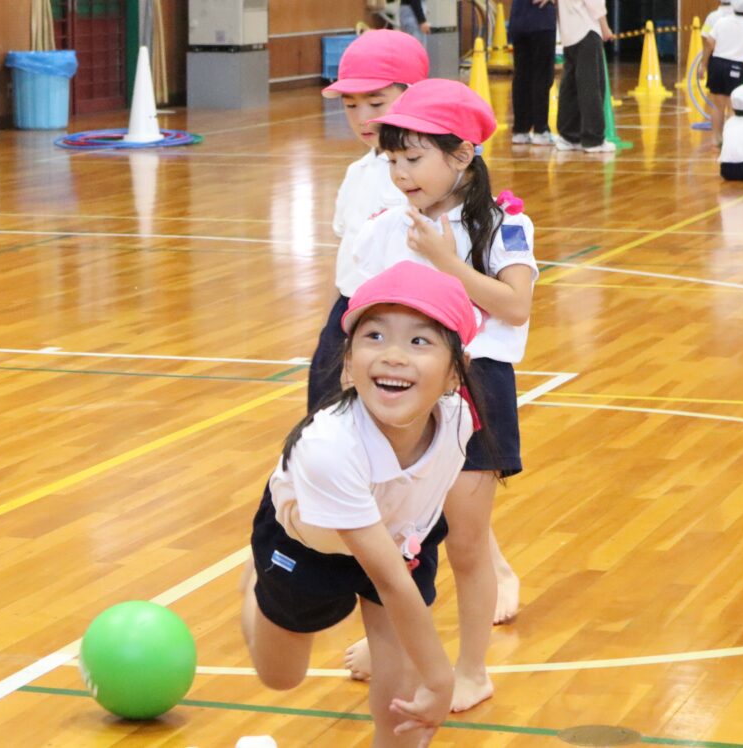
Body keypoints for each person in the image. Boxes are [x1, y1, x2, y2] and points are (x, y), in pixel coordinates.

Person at [344, 78, 538, 712]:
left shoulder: (505, 223)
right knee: (397, 533)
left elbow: (514, 304)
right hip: (406, 394)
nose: (400, 173)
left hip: (477, 388)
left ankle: (472, 669)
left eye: (413, 157)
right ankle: (394, 644)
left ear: (462, 155)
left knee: (467, 543)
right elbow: (362, 309)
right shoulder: (388, 227)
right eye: (392, 160)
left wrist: (447, 260)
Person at [241, 261, 486, 747]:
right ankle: (255, 577)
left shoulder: (459, 418)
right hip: (311, 544)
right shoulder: (329, 448)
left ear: (455, 373)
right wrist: (442, 678)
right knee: (280, 676)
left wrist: (427, 679)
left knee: (403, 700)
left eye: (419, 341)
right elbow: (391, 583)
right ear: (349, 364)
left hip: (398, 538)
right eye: (375, 336)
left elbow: (399, 572)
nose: (393, 355)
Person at [309, 30, 429, 412]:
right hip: (349, 311)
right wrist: (334, 330)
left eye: (376, 102)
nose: (363, 118)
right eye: (350, 105)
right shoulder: (357, 173)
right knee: (323, 416)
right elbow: (345, 257)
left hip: (400, 317)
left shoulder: (429, 175)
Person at [699, 0, 743, 149]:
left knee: (717, 105)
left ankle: (715, 138)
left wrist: (721, 49)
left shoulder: (721, 22)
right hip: (735, 67)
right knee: (733, 106)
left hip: (716, 64)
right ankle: (730, 141)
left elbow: (709, 41)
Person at [555, 0, 616, 152]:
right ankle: (593, 139)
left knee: (570, 87)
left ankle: (569, 136)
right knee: (591, 86)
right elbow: (595, 3)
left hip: (569, 33)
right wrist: (605, 27)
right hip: (586, 30)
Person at [510, 0, 559, 146]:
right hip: (541, 21)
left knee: (522, 75)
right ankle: (541, 130)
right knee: (542, 76)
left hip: (519, 20)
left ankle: (520, 130)